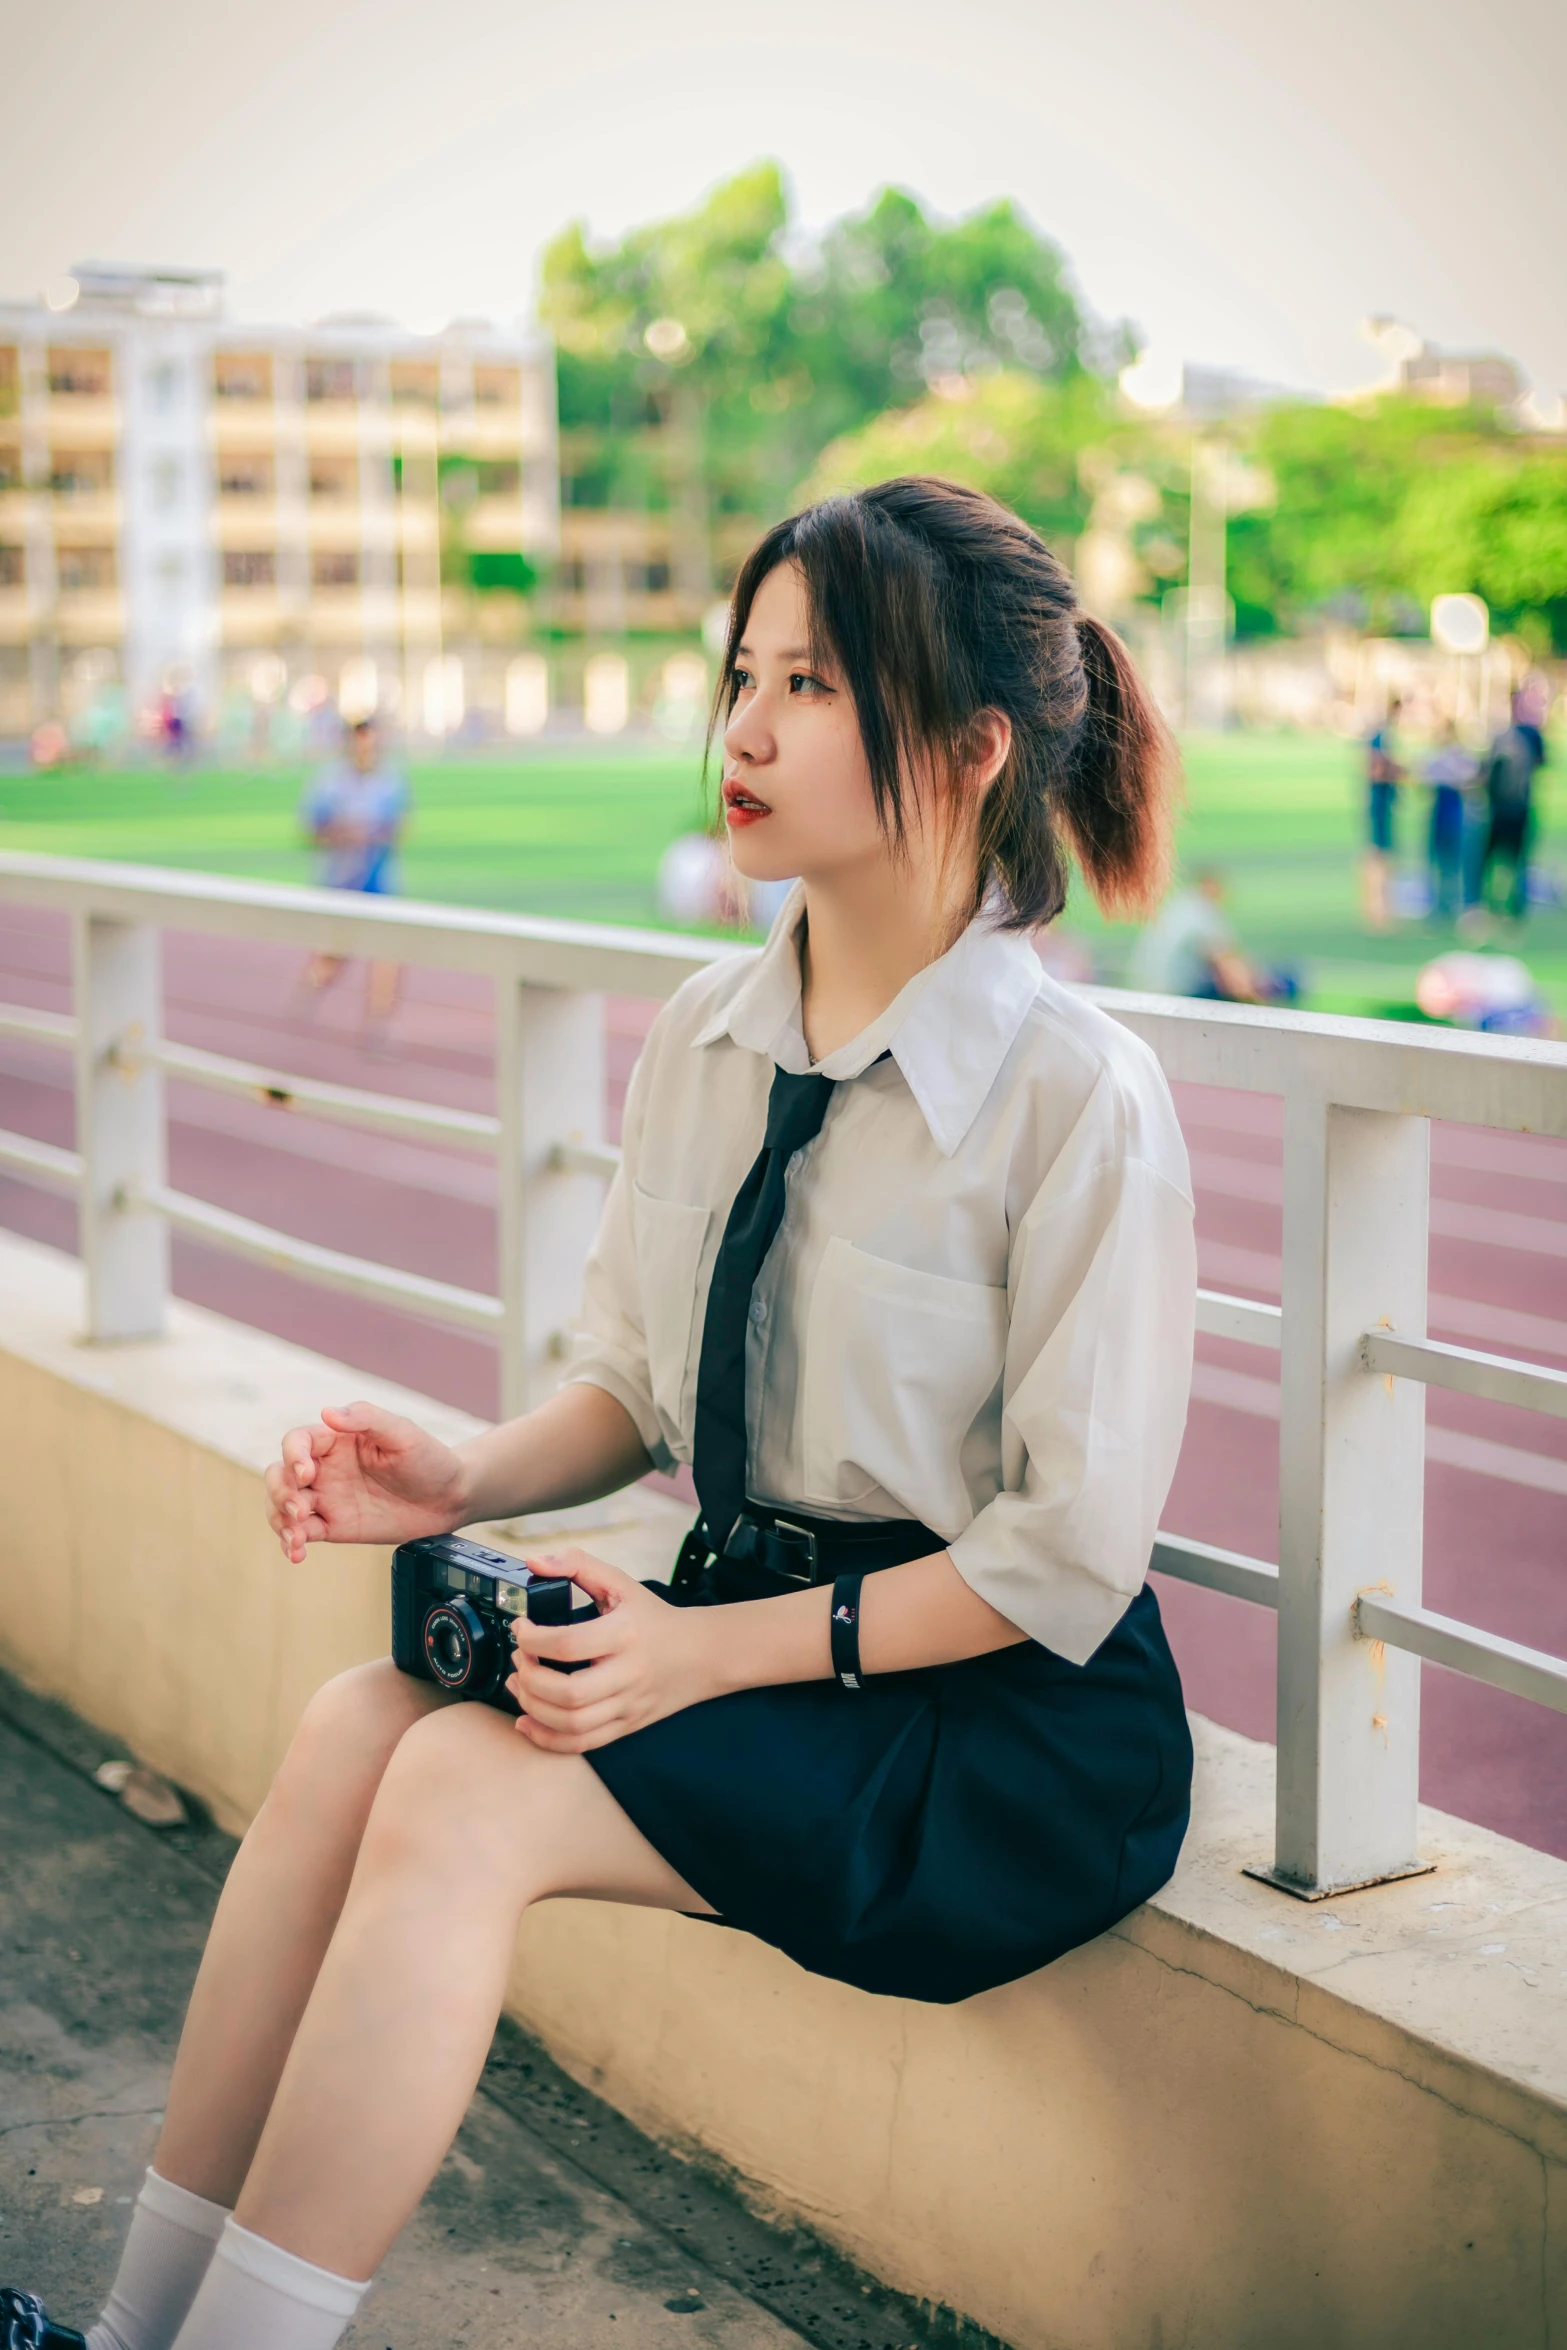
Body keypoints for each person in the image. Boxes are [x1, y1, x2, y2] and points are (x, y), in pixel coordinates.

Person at [8, 480, 1198, 2350]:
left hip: (998, 1727)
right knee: (352, 1728)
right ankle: (136, 2324)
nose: (740, 729)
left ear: (971, 749)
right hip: (742, 1640)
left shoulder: (1077, 1099)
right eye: (741, 672)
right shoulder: (710, 1036)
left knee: (469, 1795)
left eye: (810, 684)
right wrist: (460, 1474)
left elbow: (1058, 1563)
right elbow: (635, 1387)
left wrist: (702, 1656)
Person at [297, 716, 410, 1047]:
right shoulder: (329, 782)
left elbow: (400, 826)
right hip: (340, 883)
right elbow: (312, 831)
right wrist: (344, 834)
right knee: (334, 955)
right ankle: (309, 989)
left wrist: (376, 834)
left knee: (388, 951)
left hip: (378, 881)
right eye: (362, 743)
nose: (367, 750)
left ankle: (378, 1023)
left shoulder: (390, 780)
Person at [1470, 685, 1549, 923]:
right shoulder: (1504, 736)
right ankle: (1490, 906)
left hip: (1516, 808)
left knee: (1515, 861)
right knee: (1491, 861)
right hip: (1500, 809)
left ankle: (1513, 908)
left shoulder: (1524, 736)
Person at [1129, 867, 1267, 1001]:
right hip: (1178, 994)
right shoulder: (1204, 911)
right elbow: (1229, 971)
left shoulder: (1178, 905)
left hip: (1149, 989)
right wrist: (1255, 1001)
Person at [1423, 721, 1478, 923]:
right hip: (1440, 816)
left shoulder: (1459, 758)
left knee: (1454, 864)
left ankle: (1454, 903)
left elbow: (1472, 781)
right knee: (1439, 862)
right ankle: (1440, 904)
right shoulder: (1437, 758)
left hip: (1454, 816)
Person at [1360, 696, 1405, 932]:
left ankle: (1381, 910)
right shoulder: (1380, 737)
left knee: (1382, 858)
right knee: (1379, 858)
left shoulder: (1382, 736)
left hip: (1383, 805)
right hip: (1379, 806)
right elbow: (1375, 769)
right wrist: (1397, 771)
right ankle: (1377, 911)